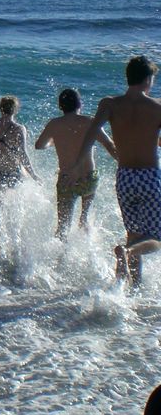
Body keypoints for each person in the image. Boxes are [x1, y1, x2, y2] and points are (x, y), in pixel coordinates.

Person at [77, 55, 161, 287]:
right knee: (155, 239)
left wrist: (78, 161)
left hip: (124, 177)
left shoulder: (110, 103)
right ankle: (126, 252)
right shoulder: (158, 106)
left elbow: (92, 132)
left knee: (134, 234)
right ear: (147, 80)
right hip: (150, 178)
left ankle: (131, 287)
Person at [34, 88, 117, 238]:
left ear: (60, 106)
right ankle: (89, 253)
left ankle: (60, 259)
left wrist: (54, 141)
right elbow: (110, 145)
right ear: (80, 104)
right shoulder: (90, 122)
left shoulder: (54, 124)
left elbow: (39, 145)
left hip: (67, 180)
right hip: (89, 178)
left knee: (62, 227)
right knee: (84, 220)